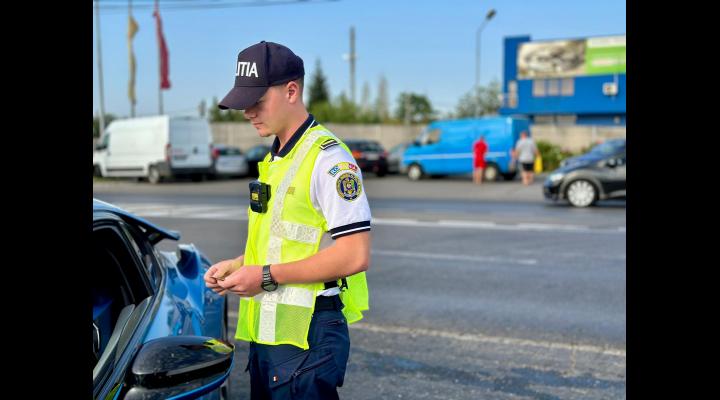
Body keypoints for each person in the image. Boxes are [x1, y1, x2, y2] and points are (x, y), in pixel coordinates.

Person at [203, 41, 372, 399]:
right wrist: (238, 265)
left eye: (256, 101)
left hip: (307, 339)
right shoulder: (278, 157)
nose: (247, 111)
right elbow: (283, 242)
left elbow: (355, 255)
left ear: (291, 90)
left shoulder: (329, 159)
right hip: (272, 338)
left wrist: (262, 276)